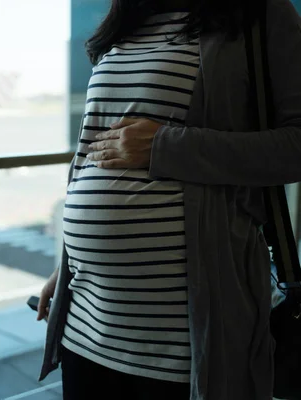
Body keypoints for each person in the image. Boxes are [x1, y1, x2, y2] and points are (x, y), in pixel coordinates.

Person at [35, 0, 301, 399]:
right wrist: (68, 264)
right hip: (86, 330)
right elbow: (94, 152)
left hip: (181, 346)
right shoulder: (125, 23)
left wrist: (166, 146)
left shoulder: (261, 14)